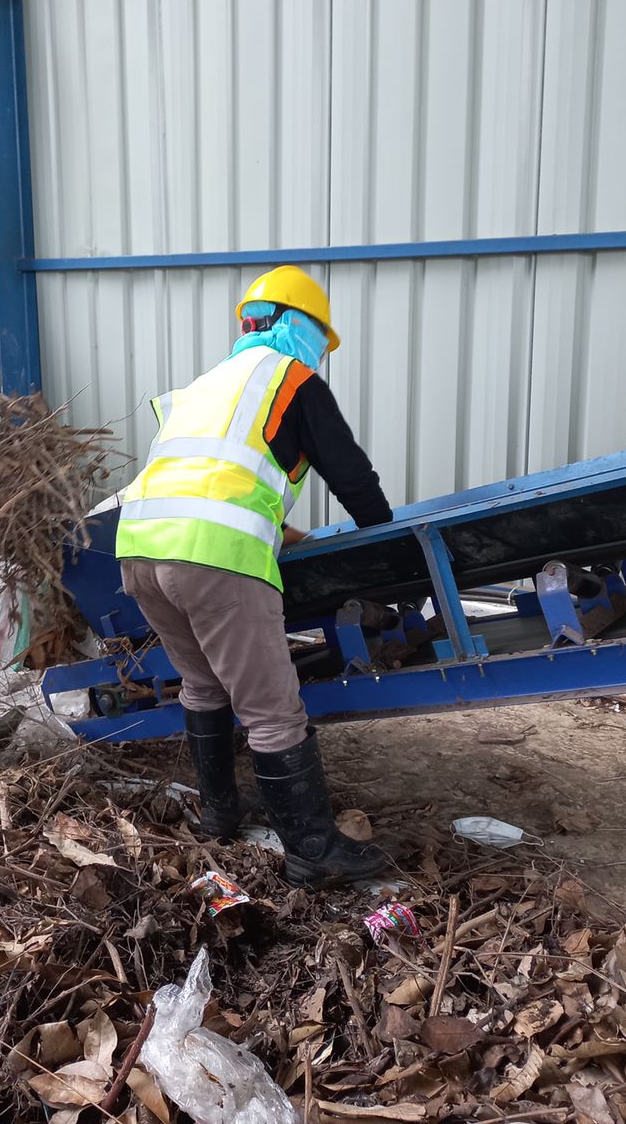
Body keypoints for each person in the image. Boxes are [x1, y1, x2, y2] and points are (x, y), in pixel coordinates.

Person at [115, 265, 395, 885]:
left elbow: (212, 482)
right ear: (299, 326)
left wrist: (289, 533)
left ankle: (218, 814)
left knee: (203, 686)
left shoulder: (205, 386)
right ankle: (312, 852)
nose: (320, 354)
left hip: (138, 550)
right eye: (321, 339)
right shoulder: (292, 379)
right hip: (214, 560)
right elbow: (351, 475)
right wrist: (388, 549)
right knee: (271, 711)